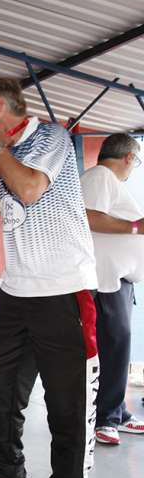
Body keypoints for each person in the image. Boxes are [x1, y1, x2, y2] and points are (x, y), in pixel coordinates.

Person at [0, 78, 97, 478]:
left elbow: (32, 188)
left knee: (65, 401)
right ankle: (6, 471)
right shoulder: (11, 152)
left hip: (64, 290)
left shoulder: (50, 137)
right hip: (17, 292)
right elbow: (13, 205)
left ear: (0, 107)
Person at [80, 133, 144, 445]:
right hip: (106, 280)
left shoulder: (104, 180)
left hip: (117, 280)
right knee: (114, 346)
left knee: (118, 347)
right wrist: (137, 227)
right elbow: (91, 218)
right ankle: (106, 418)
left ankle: (117, 411)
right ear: (129, 157)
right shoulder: (101, 176)